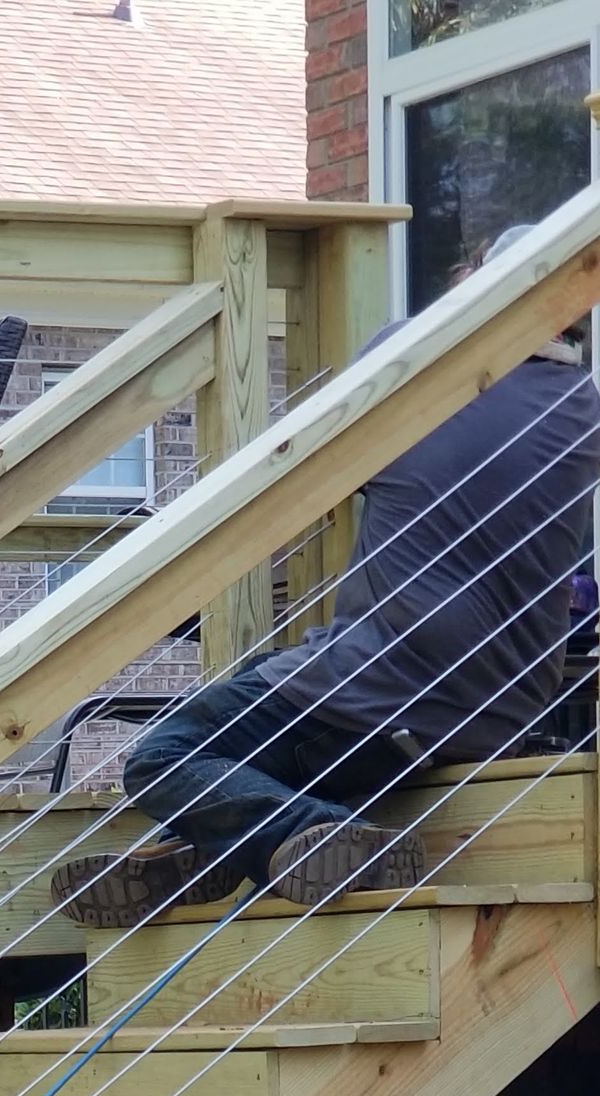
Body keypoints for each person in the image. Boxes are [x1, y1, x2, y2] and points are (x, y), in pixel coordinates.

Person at [53, 224, 600, 925]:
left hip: (371, 694)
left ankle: (301, 834)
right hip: (496, 715)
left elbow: (309, 474)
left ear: (484, 286)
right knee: (267, 701)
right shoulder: (580, 409)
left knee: (164, 755)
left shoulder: (414, 365)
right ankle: (226, 850)